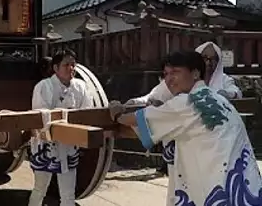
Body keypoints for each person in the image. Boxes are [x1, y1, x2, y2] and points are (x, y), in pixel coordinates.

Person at [109, 51, 262, 206]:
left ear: (195, 74)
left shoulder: (185, 102)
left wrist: (116, 114)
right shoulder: (219, 99)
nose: (169, 79)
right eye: (166, 74)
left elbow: (137, 119)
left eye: (175, 72)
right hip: (243, 183)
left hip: (215, 187)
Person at [27, 49, 93, 206]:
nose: (71, 69)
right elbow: (40, 115)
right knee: (40, 188)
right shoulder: (43, 86)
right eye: (66, 65)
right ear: (55, 68)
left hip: (69, 146)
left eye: (73, 65)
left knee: (68, 194)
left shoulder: (81, 87)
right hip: (46, 145)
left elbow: (87, 113)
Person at [126, 41, 242, 106]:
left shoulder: (224, 79)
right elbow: (153, 96)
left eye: (214, 59)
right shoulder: (180, 79)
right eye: (205, 58)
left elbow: (236, 93)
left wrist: (226, 94)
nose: (209, 62)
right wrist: (135, 102)